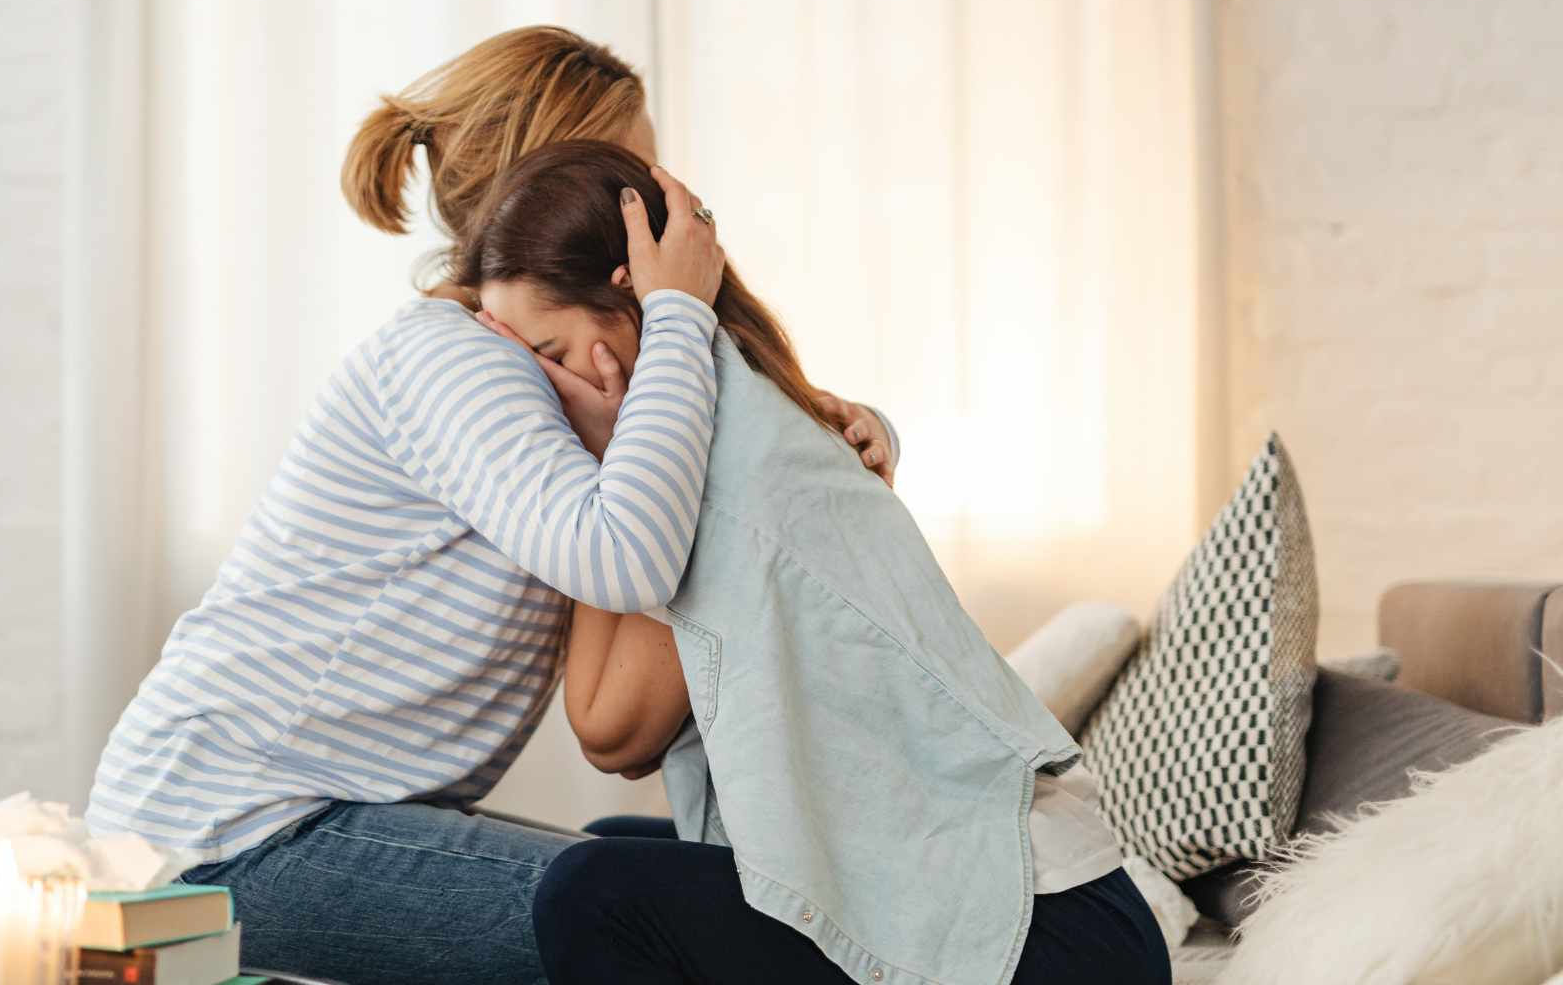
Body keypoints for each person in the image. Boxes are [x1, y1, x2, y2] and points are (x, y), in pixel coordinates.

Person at [84, 27, 897, 985]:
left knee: (656, 889)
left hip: (302, 816)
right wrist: (679, 312)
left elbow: (688, 491)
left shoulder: (536, 371)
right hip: (222, 835)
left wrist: (840, 423)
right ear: (550, 186)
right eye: (636, 176)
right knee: (656, 925)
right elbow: (628, 555)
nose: (668, 209)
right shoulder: (453, 358)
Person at [457, 140, 1172, 985]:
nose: (542, 389)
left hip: (1047, 937)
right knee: (615, 849)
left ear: (633, 300)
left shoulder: (726, 455)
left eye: (551, 351)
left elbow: (613, 732)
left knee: (592, 891)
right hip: (1026, 915)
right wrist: (615, 471)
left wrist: (607, 465)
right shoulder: (722, 409)